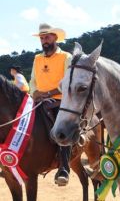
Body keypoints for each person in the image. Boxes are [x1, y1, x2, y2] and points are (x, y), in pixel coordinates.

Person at [30, 23, 72, 186]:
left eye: (47, 37)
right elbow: (33, 81)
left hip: (60, 100)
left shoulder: (66, 57)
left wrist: (49, 93)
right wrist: (35, 93)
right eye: (42, 38)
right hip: (39, 101)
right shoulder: (37, 58)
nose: (44, 40)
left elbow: (68, 81)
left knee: (62, 128)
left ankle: (63, 168)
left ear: (55, 37)